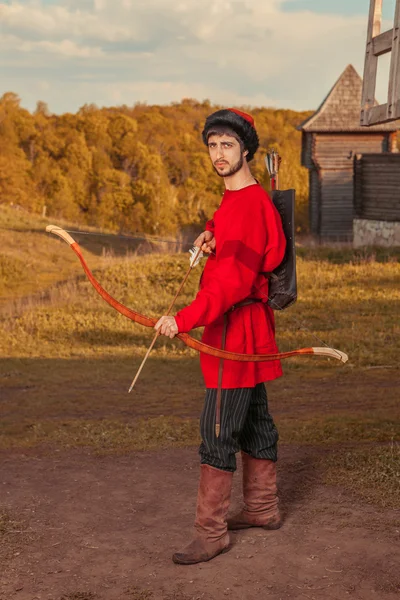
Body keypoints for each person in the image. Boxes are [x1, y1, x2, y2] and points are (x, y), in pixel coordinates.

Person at [155, 108, 286, 565]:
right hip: (243, 333)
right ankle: (263, 509)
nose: (217, 154)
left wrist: (183, 318)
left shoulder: (249, 203)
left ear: (245, 149)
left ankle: (210, 533)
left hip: (235, 335)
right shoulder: (233, 202)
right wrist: (209, 234)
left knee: (217, 428)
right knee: (254, 422)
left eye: (226, 145)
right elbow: (229, 240)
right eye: (212, 145)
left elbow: (232, 283)